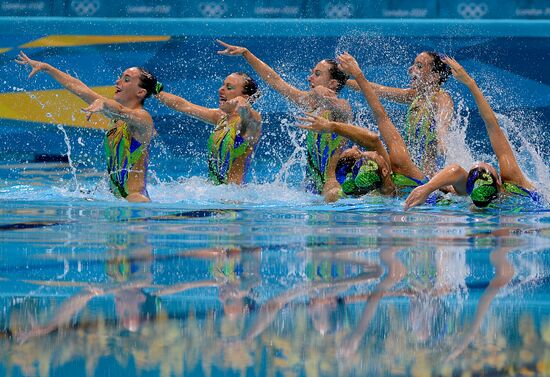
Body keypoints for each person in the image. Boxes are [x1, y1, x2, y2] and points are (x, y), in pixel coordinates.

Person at [15, 51, 158, 202]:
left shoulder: (143, 118)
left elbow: (120, 110)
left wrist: (103, 103)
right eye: (120, 77)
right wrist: (48, 68)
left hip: (135, 202)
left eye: (126, 80)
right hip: (117, 201)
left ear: (141, 92)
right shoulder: (116, 118)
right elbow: (80, 89)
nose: (118, 82)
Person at [404, 58, 541, 210]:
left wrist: (428, 187)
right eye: (486, 167)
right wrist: (469, 82)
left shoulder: (468, 196)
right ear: (498, 181)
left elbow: (455, 171)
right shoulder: (515, 182)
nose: (482, 163)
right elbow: (492, 124)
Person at [216, 40, 352, 194]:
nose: (310, 78)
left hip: (334, 186)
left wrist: (322, 94)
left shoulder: (342, 107)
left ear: (333, 83)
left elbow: (344, 114)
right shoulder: (310, 103)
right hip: (310, 188)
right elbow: (274, 80)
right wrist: (246, 54)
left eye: (317, 74)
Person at [298, 53, 436, 203]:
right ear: (384, 170)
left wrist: (332, 126)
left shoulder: (388, 178)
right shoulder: (401, 169)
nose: (365, 153)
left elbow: (375, 137)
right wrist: (357, 74)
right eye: (369, 158)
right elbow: (379, 122)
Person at [348, 51, 454, 177]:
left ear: (434, 77)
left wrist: (442, 137)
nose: (410, 70)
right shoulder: (413, 96)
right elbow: (375, 89)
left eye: (419, 66)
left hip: (425, 177)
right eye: (413, 65)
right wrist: (343, 81)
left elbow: (444, 120)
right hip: (407, 171)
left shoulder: (441, 97)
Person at [155, 73, 261, 185]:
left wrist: (240, 101)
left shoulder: (250, 122)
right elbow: (184, 106)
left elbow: (247, 113)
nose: (221, 90)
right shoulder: (221, 117)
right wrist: (155, 90)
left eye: (229, 87)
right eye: (223, 85)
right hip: (215, 191)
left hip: (234, 197)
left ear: (245, 97)